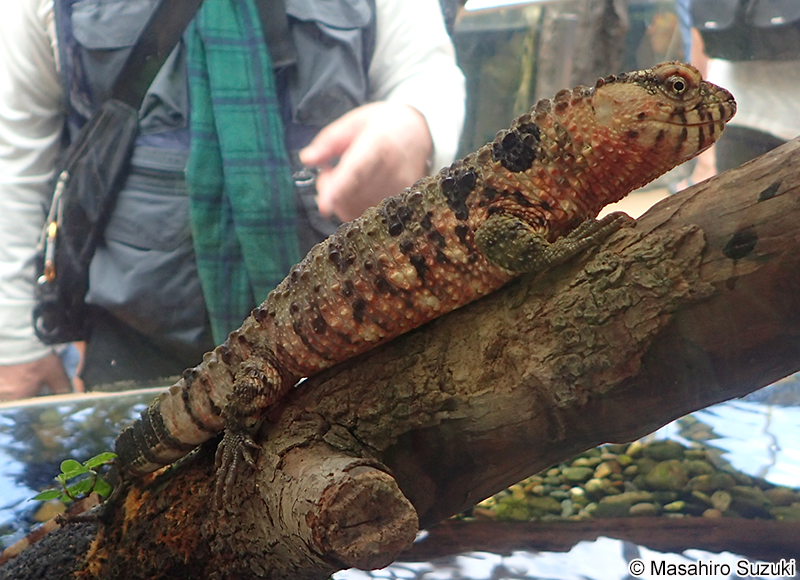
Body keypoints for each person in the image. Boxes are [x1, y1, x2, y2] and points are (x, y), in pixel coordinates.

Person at [0, 0, 466, 399]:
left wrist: (416, 125)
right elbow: (15, 157)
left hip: (348, 339)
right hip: (133, 353)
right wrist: (16, 343)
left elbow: (424, 71)